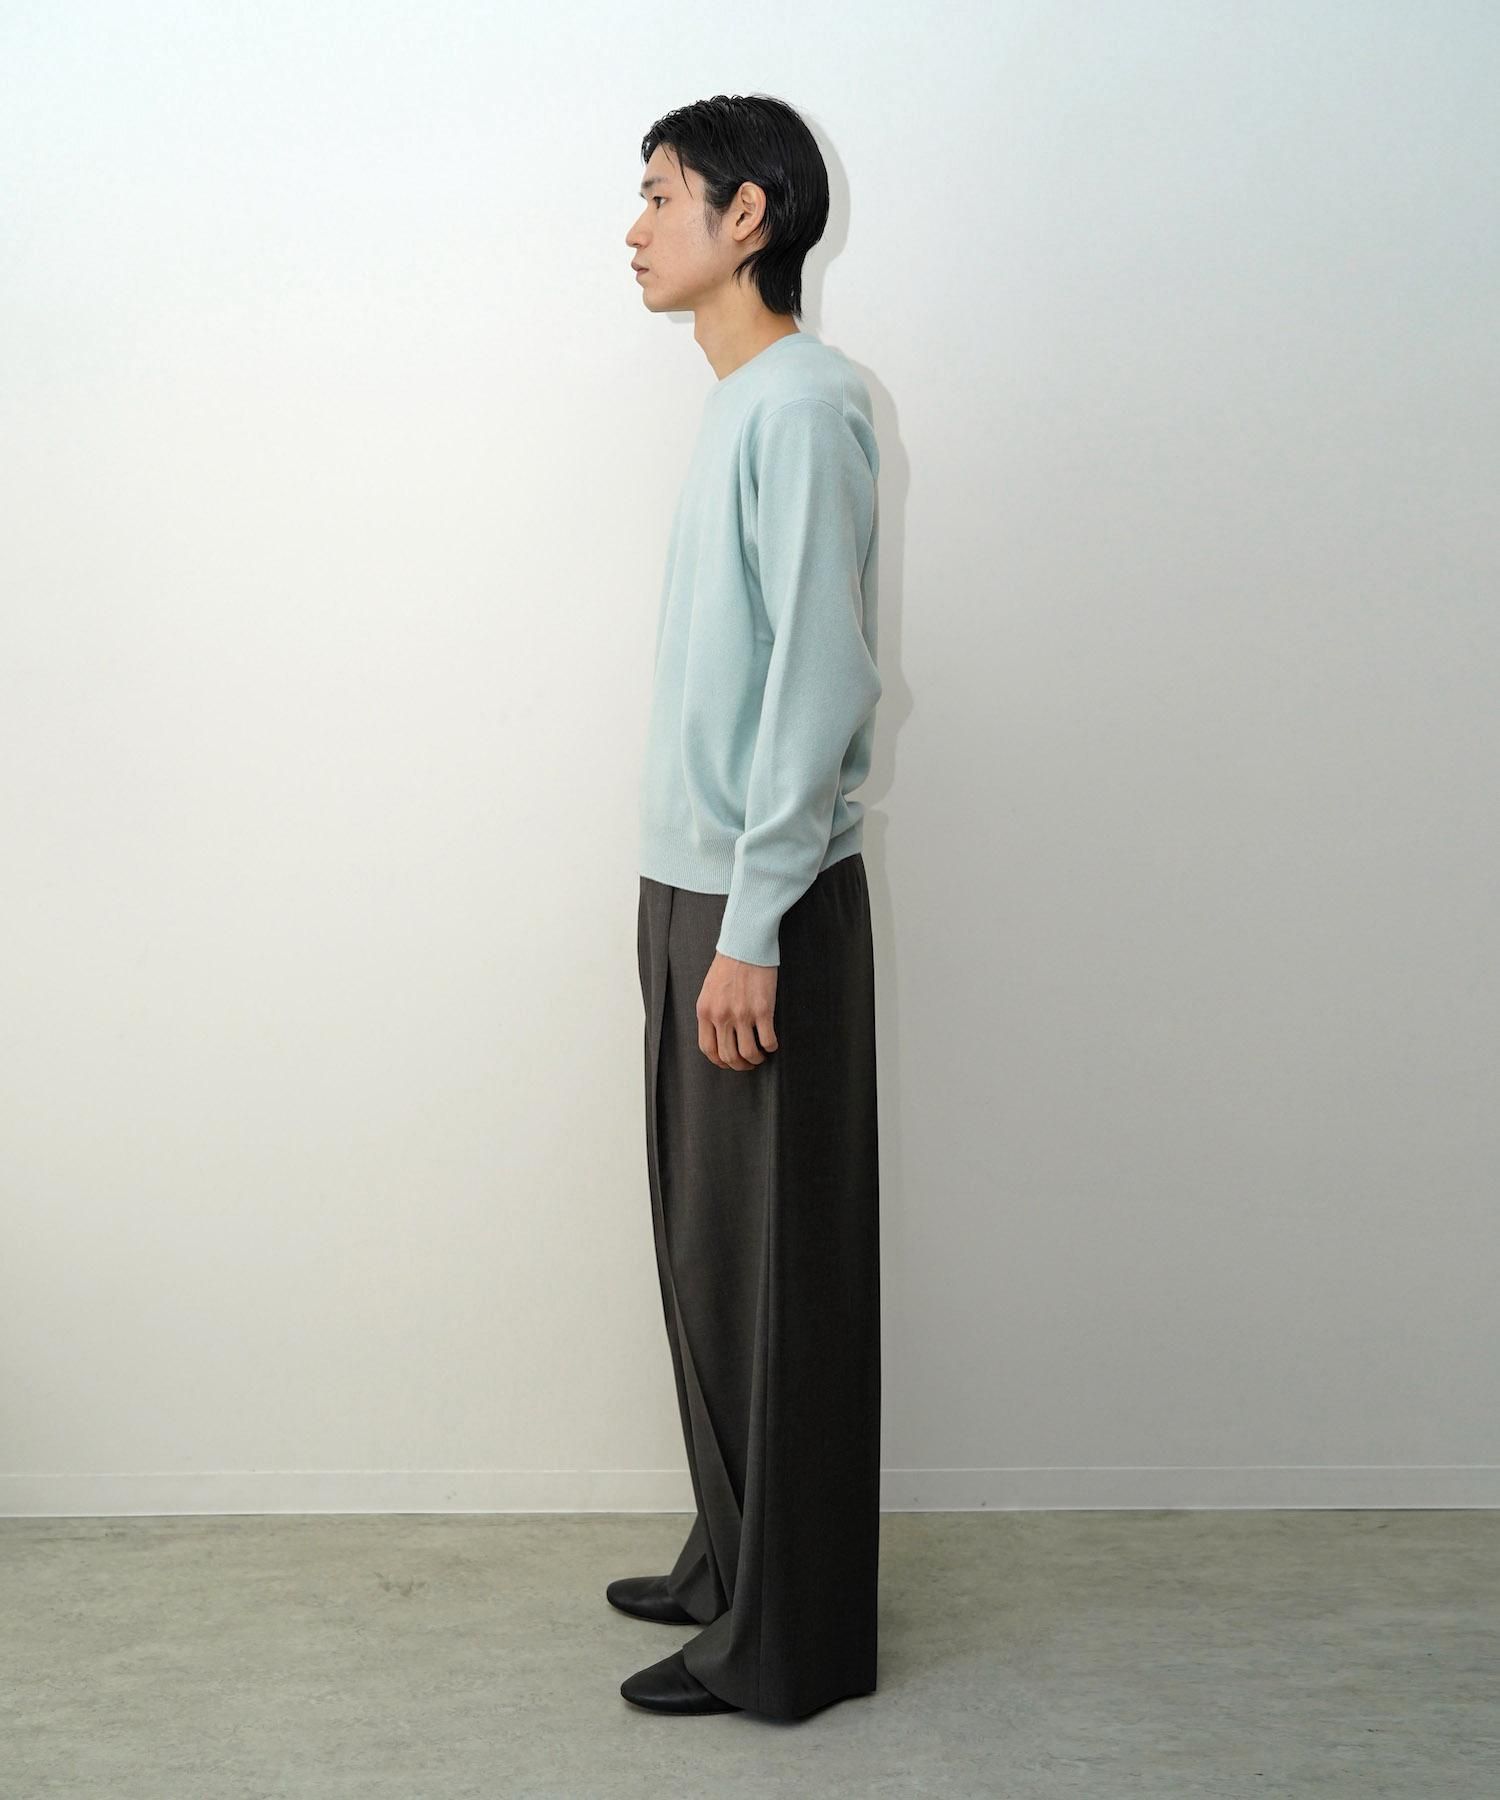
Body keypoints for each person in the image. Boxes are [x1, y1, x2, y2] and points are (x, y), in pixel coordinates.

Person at [614, 92, 883, 1723]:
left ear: (748, 217)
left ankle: (789, 1642)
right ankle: (733, 1559)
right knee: (712, 1260)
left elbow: (824, 682)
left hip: (754, 907)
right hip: (696, 885)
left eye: (662, 194)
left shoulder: (805, 405)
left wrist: (753, 921)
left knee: (776, 1277)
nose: (635, 228)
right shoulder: (739, 406)